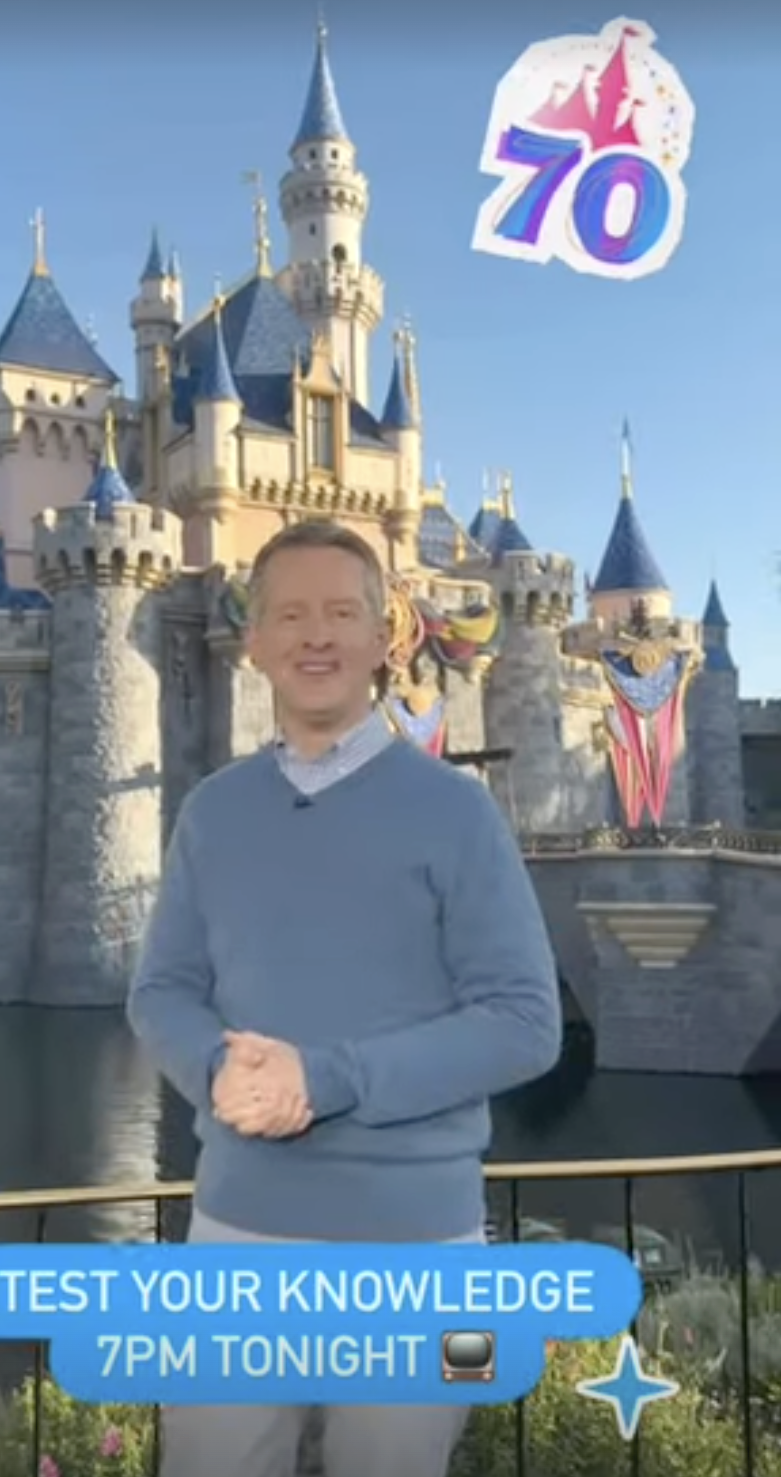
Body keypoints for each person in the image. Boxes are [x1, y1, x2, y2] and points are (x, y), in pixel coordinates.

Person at [128, 520, 562, 1477]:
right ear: (253, 640)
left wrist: (323, 1080)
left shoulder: (455, 811)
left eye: (339, 612)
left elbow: (525, 1022)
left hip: (417, 1245)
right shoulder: (213, 813)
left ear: (382, 637)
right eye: (289, 614)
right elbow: (161, 990)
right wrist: (215, 1068)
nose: (314, 635)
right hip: (237, 1233)